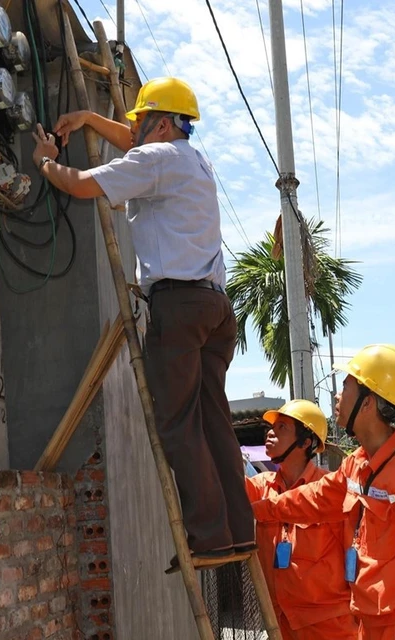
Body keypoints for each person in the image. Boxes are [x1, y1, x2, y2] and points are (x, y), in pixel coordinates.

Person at [30, 77, 254, 566]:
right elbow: (135, 145)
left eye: (139, 120)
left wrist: (46, 160)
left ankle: (209, 540)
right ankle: (237, 533)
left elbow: (83, 184)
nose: (133, 128)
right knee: (214, 423)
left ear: (160, 122)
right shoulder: (193, 160)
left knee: (177, 424)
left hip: (179, 308)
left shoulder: (155, 160)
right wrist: (89, 119)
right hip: (216, 310)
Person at [252, 344, 395, 640]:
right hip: (369, 622)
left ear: (368, 402)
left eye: (347, 386)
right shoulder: (358, 465)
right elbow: (315, 498)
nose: (337, 395)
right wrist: (260, 509)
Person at [245, 399, 357, 639]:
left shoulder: (328, 492)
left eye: (282, 427)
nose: (270, 433)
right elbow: (230, 490)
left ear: (306, 442)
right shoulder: (262, 486)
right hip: (279, 622)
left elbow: (354, 556)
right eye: (272, 427)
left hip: (328, 625)